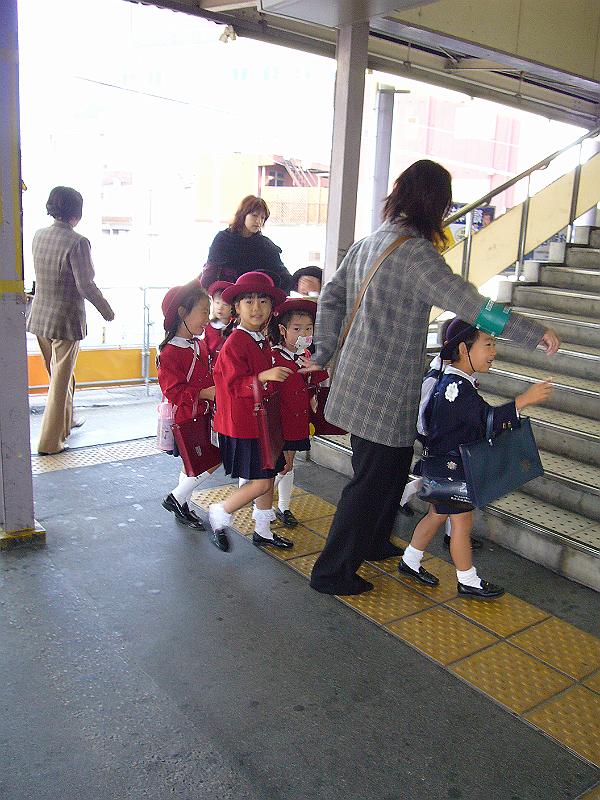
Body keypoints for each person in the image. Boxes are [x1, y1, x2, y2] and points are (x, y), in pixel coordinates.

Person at [303, 159, 560, 596]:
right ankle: (331, 572)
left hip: (358, 383)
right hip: (384, 391)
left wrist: (325, 351)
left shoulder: (372, 240)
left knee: (384, 473)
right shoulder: (416, 254)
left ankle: (371, 542)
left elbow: (330, 295)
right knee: (370, 481)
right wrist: (533, 333)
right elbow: (471, 304)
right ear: (435, 204)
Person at [398, 318, 552, 598]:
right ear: (462, 348)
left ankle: (410, 560)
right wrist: (524, 400)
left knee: (436, 515)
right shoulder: (457, 389)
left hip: (443, 467)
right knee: (461, 523)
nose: (493, 352)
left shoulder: (454, 382)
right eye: (488, 344)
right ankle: (468, 580)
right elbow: (487, 420)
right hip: (453, 470)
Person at [208, 271, 295, 552]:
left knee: (268, 477)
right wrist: (263, 377)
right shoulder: (236, 342)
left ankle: (263, 530)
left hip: (261, 422)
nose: (256, 308)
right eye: (248, 301)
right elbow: (231, 385)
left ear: (272, 308)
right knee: (260, 482)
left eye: (263, 301)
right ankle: (220, 512)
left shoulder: (260, 339)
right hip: (245, 424)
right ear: (237, 307)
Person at [27, 186, 115, 455]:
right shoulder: (78, 242)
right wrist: (107, 311)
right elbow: (85, 285)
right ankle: (50, 442)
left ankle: (68, 421)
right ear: (76, 213)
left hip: (39, 318)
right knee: (60, 383)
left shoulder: (38, 236)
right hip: (65, 322)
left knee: (60, 376)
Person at [157, 280, 222, 540]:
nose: (208, 317)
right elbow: (173, 392)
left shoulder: (198, 344)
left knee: (191, 465)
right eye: (203, 311)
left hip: (203, 415)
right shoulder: (170, 352)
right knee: (214, 459)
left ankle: (182, 505)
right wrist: (205, 393)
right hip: (187, 418)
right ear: (183, 313)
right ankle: (176, 498)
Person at [269, 298, 328, 526]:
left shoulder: (307, 357)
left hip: (298, 420)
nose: (303, 333)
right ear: (283, 330)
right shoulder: (274, 356)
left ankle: (283, 506)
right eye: (297, 329)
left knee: (289, 463)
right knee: (281, 464)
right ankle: (260, 500)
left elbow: (318, 381)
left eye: (308, 328)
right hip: (279, 421)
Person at [200, 195, 293, 292]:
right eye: (254, 215)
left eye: (262, 217)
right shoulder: (223, 239)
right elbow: (210, 272)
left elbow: (282, 274)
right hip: (226, 296)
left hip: (256, 297)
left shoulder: (265, 245)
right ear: (243, 214)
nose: (259, 221)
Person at [204, 281, 233, 360]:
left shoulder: (236, 328)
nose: (220, 307)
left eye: (225, 304)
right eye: (217, 303)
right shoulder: (207, 327)